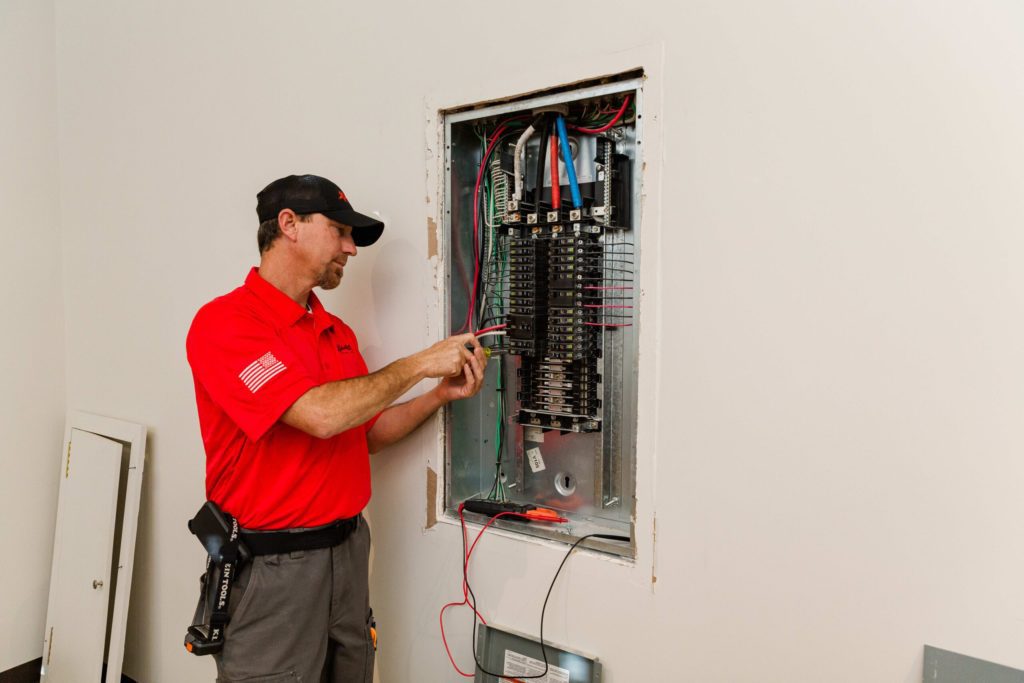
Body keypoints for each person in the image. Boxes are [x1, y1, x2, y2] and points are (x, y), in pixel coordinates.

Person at [185, 174, 486, 682]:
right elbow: (320, 416)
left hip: (347, 554)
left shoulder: (335, 333)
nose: (351, 247)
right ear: (289, 225)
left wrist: (439, 394)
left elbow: (363, 432)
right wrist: (419, 365)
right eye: (340, 230)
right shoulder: (226, 325)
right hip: (273, 568)